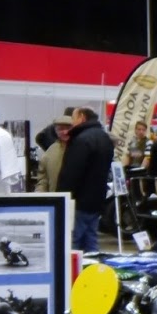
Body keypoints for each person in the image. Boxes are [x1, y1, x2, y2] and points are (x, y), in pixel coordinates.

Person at [57, 106, 114, 251]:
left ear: (82, 117)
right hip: (97, 199)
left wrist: (62, 197)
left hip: (78, 201)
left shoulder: (81, 140)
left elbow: (72, 173)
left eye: (74, 118)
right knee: (91, 240)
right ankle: (93, 271)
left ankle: (73, 273)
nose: (72, 123)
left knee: (72, 241)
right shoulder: (105, 138)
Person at [36, 114, 73, 192]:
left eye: (68, 128)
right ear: (56, 131)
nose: (65, 132)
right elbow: (43, 180)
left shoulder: (82, 148)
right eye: (61, 129)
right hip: (57, 199)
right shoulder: (50, 152)